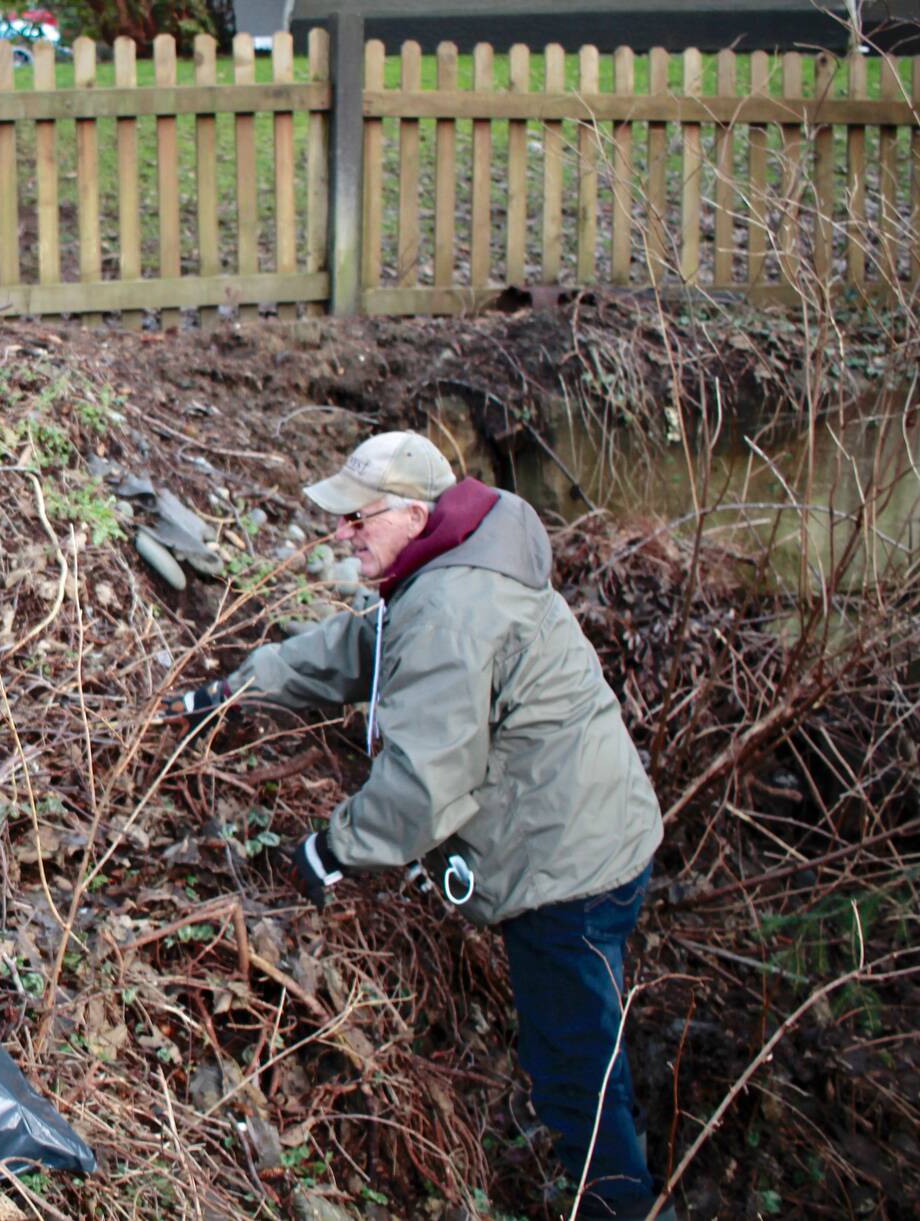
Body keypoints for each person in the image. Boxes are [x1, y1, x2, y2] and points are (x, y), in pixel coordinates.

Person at [171, 431, 671, 1220]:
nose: (343, 534)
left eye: (358, 518)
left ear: (412, 511)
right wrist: (241, 686)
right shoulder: (448, 561)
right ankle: (604, 1174)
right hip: (591, 831)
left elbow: (424, 782)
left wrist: (332, 847)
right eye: (341, 519)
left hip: (568, 867)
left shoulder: (449, 609)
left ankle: (617, 1203)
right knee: (581, 1044)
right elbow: (356, 648)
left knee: (574, 1069)